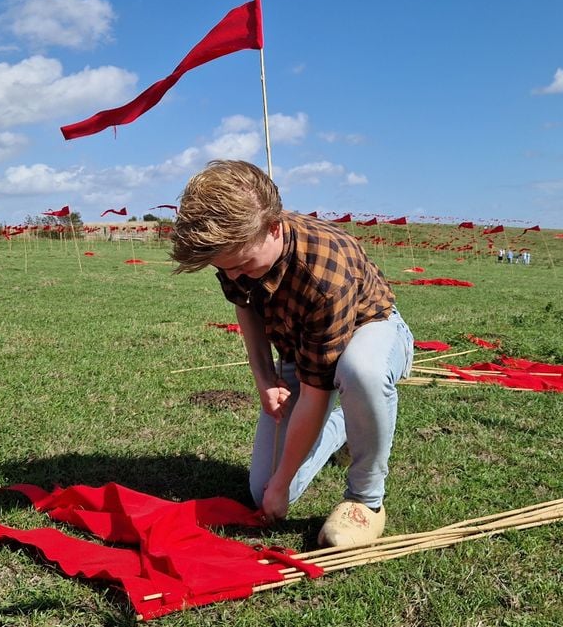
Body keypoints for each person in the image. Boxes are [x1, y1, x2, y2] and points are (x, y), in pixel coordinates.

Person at [170, 160, 413, 547]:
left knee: (359, 372)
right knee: (260, 489)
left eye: (243, 265)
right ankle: (350, 427)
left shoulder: (325, 271)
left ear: (274, 227)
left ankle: (366, 499)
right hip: (302, 351)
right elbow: (245, 306)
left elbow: (315, 396)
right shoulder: (237, 251)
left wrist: (282, 484)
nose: (233, 277)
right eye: (224, 269)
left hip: (371, 331)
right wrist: (265, 380)